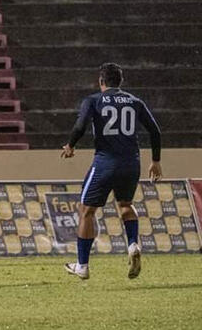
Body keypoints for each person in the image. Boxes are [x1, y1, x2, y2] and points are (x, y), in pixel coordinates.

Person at [61, 63, 162, 280]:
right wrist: (155, 161)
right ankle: (133, 244)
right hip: (131, 163)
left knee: (86, 210)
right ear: (120, 82)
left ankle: (82, 265)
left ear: (101, 81)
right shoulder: (134, 101)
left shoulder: (94, 100)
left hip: (106, 162)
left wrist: (70, 145)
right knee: (125, 205)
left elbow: (80, 126)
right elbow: (155, 130)